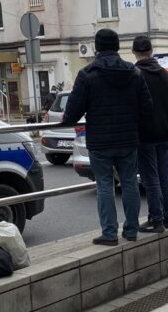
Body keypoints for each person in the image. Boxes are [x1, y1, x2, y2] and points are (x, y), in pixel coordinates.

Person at [60, 28, 153, 245]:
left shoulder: (87, 74)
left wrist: (67, 116)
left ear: (97, 47)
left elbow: (72, 113)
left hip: (100, 141)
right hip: (128, 139)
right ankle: (131, 230)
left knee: (104, 185)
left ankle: (109, 233)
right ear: (118, 46)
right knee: (130, 182)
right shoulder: (134, 73)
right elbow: (147, 108)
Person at [131, 36, 168, 233]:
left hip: (145, 134)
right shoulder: (165, 75)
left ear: (134, 52)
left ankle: (156, 219)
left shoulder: (135, 75)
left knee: (150, 178)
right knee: (165, 175)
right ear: (151, 51)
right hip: (165, 133)